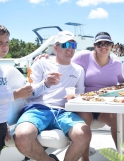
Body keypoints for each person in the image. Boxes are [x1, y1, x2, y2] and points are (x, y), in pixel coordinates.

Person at [14, 31, 91, 161]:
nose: (70, 49)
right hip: (37, 109)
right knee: (22, 136)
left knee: (84, 134)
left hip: (63, 112)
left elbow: (80, 94)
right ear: (55, 48)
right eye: (65, 44)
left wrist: (75, 98)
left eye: (73, 45)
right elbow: (29, 93)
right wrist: (45, 83)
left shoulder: (79, 70)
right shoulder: (41, 63)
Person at [72, 32, 124, 146]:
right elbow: (64, 64)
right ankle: (84, 158)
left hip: (106, 105)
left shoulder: (117, 64)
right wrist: (45, 59)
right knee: (82, 123)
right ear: (94, 46)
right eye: (99, 44)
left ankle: (122, 155)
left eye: (107, 43)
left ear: (112, 45)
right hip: (86, 104)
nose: (103, 46)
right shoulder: (83, 57)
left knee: (119, 121)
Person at [0, 25, 33, 153]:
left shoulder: (2, 69)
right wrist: (16, 95)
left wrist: (4, 123)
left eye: (7, 42)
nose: (5, 46)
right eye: (0, 42)